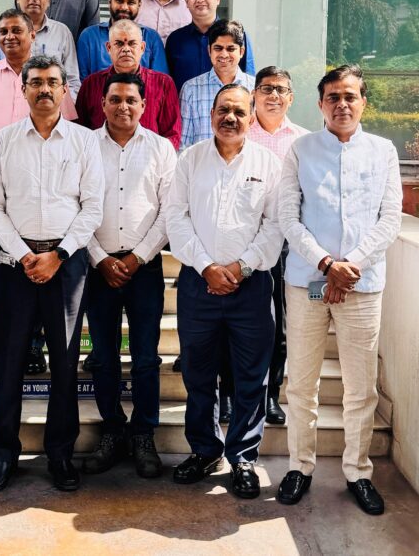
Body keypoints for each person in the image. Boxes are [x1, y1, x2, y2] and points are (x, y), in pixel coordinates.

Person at [276, 64, 402, 515]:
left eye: (350, 96)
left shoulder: (383, 151)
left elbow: (390, 219)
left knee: (361, 386)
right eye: (333, 97)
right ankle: (299, 466)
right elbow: (288, 217)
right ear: (320, 104)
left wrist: (351, 266)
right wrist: (328, 265)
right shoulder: (300, 150)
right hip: (309, 282)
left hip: (361, 287)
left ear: (364, 102)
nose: (342, 104)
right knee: (301, 382)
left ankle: (358, 471)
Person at [0, 54, 103, 494]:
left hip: (67, 266)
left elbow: (92, 207)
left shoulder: (84, 141)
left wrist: (59, 254)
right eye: (36, 82)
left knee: (65, 363)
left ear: (65, 90)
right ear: (24, 89)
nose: (45, 89)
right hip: (15, 265)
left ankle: (60, 454)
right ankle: (3, 454)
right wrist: (23, 254)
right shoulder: (4, 140)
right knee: (9, 361)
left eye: (53, 82)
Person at [164, 83, 282, 499]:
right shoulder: (190, 160)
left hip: (252, 288)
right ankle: (204, 451)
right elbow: (176, 217)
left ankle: (243, 457)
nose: (230, 118)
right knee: (198, 375)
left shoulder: (269, 164)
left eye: (238, 111)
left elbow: (275, 224)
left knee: (251, 377)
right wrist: (207, 267)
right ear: (211, 114)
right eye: (223, 110)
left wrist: (241, 266)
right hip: (199, 285)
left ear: (251, 118)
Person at [0, 9, 77, 378]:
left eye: (17, 30)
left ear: (32, 36)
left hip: (38, 197)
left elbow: (67, 129)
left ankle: (33, 349)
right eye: (4, 31)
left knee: (38, 276)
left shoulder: (49, 79)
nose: (10, 37)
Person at [81, 72, 176, 479]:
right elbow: (74, 205)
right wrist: (99, 257)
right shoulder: (85, 146)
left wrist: (138, 257)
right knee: (103, 357)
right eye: (115, 99)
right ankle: (112, 430)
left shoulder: (161, 149)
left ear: (144, 105)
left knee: (146, 358)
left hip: (144, 268)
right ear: (102, 104)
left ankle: (143, 434)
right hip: (97, 267)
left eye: (131, 100)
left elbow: (169, 211)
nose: (123, 107)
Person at [246, 66, 309, 426]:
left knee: (279, 326)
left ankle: (270, 396)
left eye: (280, 90)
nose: (273, 96)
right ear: (253, 94)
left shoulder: (303, 141)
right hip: (242, 243)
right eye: (266, 88)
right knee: (238, 323)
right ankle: (232, 394)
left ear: (291, 98)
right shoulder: (240, 133)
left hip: (287, 245)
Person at [75, 19, 181, 150]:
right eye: (119, 44)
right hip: (100, 159)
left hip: (149, 159)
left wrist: (155, 158)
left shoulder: (163, 84)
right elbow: (79, 132)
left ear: (142, 48)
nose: (126, 49)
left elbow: (172, 135)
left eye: (132, 44)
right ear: (108, 48)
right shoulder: (91, 84)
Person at [165, 0, 255, 92]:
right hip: (186, 102)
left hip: (229, 102)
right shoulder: (175, 40)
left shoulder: (237, 36)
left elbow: (248, 80)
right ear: (186, 2)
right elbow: (168, 83)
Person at [180, 19, 255, 148]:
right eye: (218, 48)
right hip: (201, 160)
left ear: (241, 52)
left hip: (245, 160)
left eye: (231, 48)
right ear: (209, 51)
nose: (224, 54)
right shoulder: (191, 88)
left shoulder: (255, 88)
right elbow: (184, 143)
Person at [76, 0, 168, 80]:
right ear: (109, 2)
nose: (124, 7)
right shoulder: (89, 36)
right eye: (119, 1)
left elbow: (160, 81)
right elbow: (82, 81)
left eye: (131, 2)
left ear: (139, 5)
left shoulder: (151, 37)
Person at [14, 0, 80, 94]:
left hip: (53, 104)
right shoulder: (3, 33)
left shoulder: (62, 32)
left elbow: (72, 80)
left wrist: (64, 105)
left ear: (48, 0)